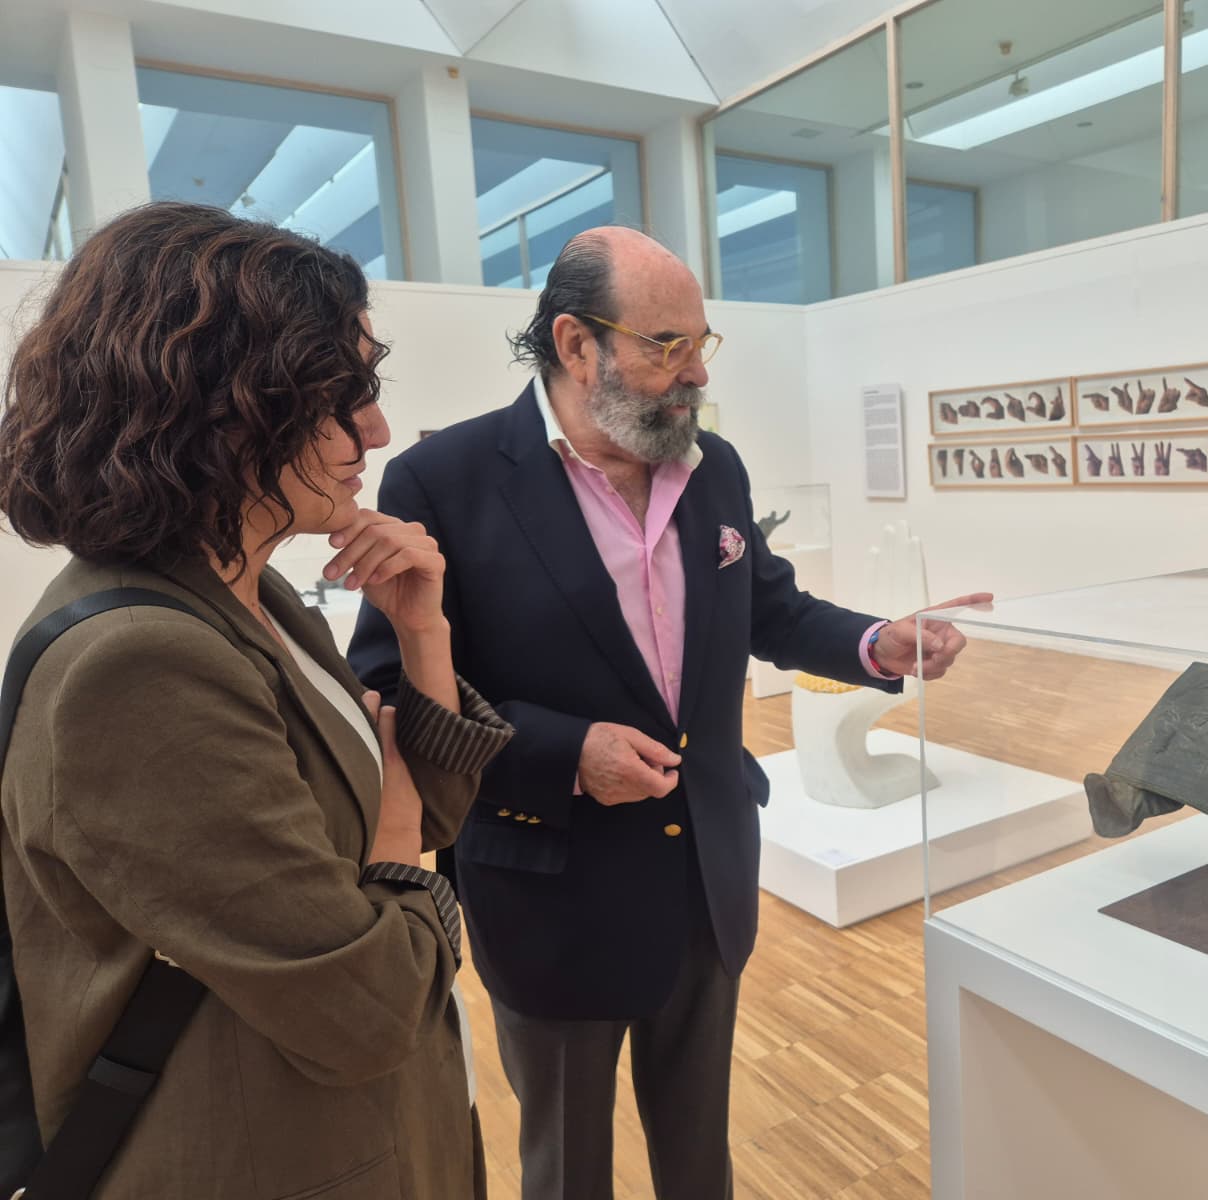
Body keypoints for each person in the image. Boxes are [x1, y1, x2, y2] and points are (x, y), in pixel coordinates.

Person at [348, 225, 988, 1199]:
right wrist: (566, 753)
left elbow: (767, 605)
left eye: (700, 343)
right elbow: (396, 692)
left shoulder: (713, 466)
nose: (693, 371)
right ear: (573, 343)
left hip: (705, 877)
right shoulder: (445, 482)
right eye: (665, 346)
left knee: (699, 1158)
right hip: (548, 895)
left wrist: (873, 643)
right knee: (569, 1168)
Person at [0, 202, 512, 1198]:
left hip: (363, 1133)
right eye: (343, 395)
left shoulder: (253, 591)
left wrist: (423, 633)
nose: (376, 428)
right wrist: (398, 826)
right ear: (225, 407)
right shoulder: (138, 664)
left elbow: (432, 819)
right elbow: (365, 1009)